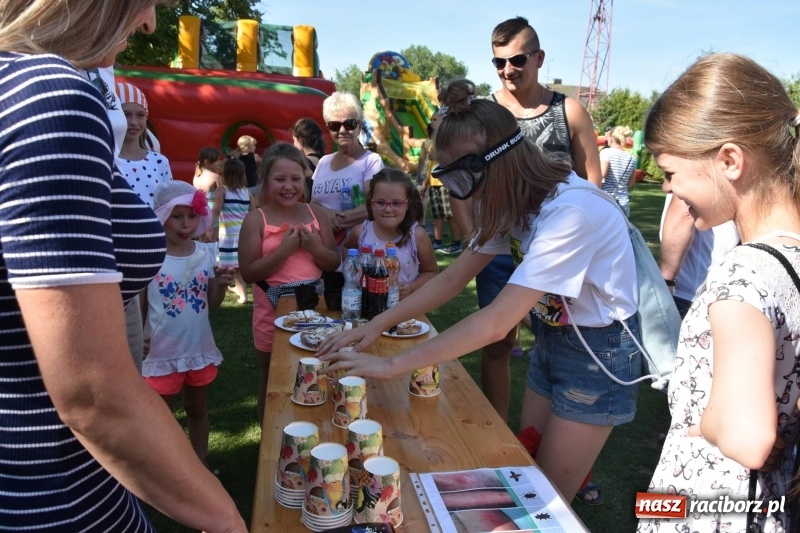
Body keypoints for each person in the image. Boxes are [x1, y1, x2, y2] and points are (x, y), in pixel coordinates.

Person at [318, 79, 641, 504]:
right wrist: (374, 326)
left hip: (600, 355)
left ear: (496, 161)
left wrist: (391, 365)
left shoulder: (572, 213)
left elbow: (496, 322)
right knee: (528, 459)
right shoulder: (514, 202)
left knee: (547, 498)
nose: (459, 195)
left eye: (460, 177)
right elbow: (454, 278)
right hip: (555, 336)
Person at [0, 1, 247, 530]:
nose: (150, 22)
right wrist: (229, 521)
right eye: (146, 1)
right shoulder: (51, 93)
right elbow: (93, 395)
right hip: (56, 497)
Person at [637, 53, 800, 532]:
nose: (668, 189)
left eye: (670, 172)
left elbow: (747, 438)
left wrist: (701, 422)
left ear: (729, 160)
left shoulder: (741, 274)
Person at [448, 16, 603, 441]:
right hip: (502, 245)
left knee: (562, 344)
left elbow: (592, 181)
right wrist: (471, 236)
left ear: (538, 57)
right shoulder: (486, 112)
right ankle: (495, 431)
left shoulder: (567, 109)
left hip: (557, 246)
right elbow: (459, 186)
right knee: (496, 340)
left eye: (516, 59)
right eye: (498, 63)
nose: (507, 70)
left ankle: (564, 445)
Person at [239, 142, 341, 425]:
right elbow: (248, 273)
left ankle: (314, 426)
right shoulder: (255, 220)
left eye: (295, 179)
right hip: (270, 314)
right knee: (274, 379)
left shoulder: (316, 214)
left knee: (317, 371)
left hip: (317, 311)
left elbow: (332, 262)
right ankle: (270, 440)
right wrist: (283, 251)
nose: (288, 186)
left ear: (304, 179)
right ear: (266, 181)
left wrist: (314, 248)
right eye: (279, 179)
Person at [142, 181, 232, 471]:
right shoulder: (151, 257)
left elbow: (212, 304)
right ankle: (166, 470)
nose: (185, 224)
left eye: (191, 216)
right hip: (160, 352)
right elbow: (141, 305)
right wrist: (137, 337)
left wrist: (218, 285)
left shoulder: (204, 253)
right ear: (162, 218)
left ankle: (199, 464)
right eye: (176, 216)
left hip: (197, 348)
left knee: (197, 409)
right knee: (161, 418)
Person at [341, 168, 438, 299]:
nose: (388, 209)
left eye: (397, 203)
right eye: (380, 203)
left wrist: (411, 288)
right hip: (367, 307)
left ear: (408, 204)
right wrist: (353, 274)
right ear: (371, 202)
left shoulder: (417, 236)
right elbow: (347, 248)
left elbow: (431, 272)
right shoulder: (360, 232)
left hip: (406, 311)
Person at [659, 193, 739, 318]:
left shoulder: (696, 175)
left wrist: (666, 282)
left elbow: (684, 214)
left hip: (686, 291)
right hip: (726, 290)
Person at [116, 82, 173, 207]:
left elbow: (167, 208)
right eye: (126, 115)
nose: (134, 122)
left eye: (140, 115)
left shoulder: (160, 162)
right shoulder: (106, 160)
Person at [210, 158, 255, 304]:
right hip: (243, 235)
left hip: (228, 235)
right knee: (239, 266)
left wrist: (208, 227)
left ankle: (242, 295)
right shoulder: (247, 193)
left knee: (231, 269)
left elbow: (216, 210)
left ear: (225, 174)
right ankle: (238, 289)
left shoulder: (222, 190)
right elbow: (253, 214)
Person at [418, 115, 463, 255]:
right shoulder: (430, 142)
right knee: (437, 215)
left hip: (445, 182)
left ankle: (457, 243)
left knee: (449, 215)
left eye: (435, 119)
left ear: (444, 121)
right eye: (431, 119)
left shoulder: (447, 141)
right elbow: (430, 166)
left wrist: (439, 155)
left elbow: (454, 159)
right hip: (433, 183)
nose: (432, 121)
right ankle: (437, 242)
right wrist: (425, 183)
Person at [599, 126, 637, 217]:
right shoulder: (631, 158)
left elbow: (602, 174)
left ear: (611, 139)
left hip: (607, 200)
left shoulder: (606, 152)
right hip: (623, 201)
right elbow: (630, 184)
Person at [292, 117, 326, 202]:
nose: (293, 144)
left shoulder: (303, 163)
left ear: (300, 140)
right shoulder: (327, 160)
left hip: (308, 209)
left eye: (294, 140)